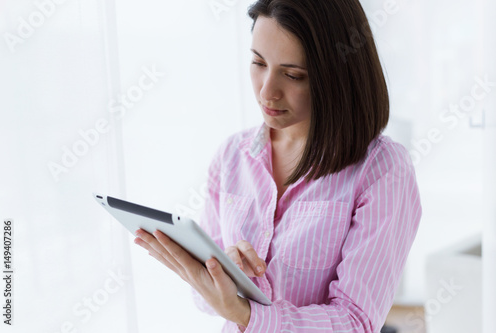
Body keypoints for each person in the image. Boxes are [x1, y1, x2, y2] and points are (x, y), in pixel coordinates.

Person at [134, 0, 422, 332]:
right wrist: (218, 273)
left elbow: (355, 321)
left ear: (338, 75)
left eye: (293, 74)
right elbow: (206, 301)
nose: (267, 91)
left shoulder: (383, 170)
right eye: (258, 62)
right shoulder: (232, 156)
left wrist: (248, 315)